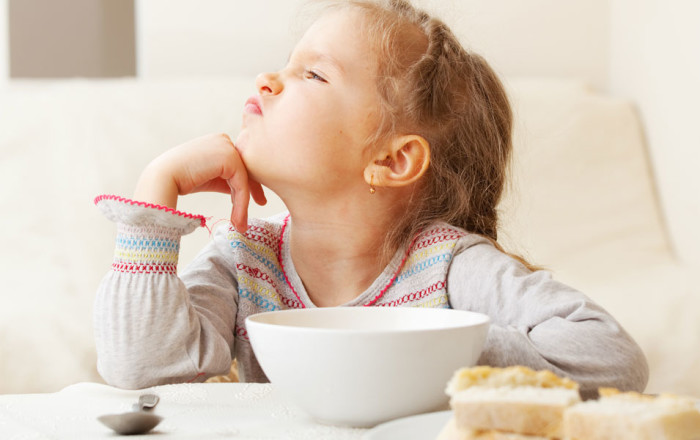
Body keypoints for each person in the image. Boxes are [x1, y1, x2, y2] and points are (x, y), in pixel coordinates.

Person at [93, 0, 648, 399]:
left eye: (311, 73)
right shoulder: (244, 263)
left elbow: (612, 358)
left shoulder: (447, 266)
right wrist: (155, 192)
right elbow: (145, 371)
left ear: (391, 160)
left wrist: (436, 351)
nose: (267, 80)